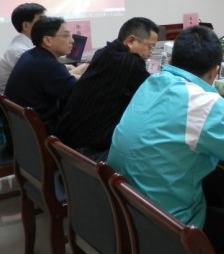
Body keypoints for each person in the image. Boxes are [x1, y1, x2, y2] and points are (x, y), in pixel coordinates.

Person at [108, 25, 224, 254]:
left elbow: (181, 128)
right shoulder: (203, 102)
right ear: (215, 71)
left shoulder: (152, 82)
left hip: (127, 209)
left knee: (214, 195)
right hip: (168, 227)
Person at [57, 17, 159, 161]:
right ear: (131, 41)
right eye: (150, 47)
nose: (151, 53)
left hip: (67, 140)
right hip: (89, 151)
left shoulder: (104, 52)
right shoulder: (130, 63)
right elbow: (153, 97)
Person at [5, 17, 81, 134]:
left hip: (21, 133)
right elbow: (80, 91)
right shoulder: (48, 65)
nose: (72, 41)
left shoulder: (31, 55)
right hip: (41, 134)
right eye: (66, 36)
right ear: (47, 40)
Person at [0, 3, 46, 97]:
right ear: (25, 25)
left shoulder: (22, 42)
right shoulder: (21, 51)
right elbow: (43, 79)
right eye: (42, 19)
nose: (48, 23)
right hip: (12, 103)